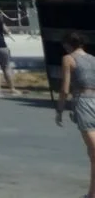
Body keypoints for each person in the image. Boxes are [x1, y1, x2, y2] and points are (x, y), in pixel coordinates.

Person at [54, 31, 95, 198]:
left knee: (93, 151)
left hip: (83, 101)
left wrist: (60, 110)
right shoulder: (93, 59)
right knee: (93, 152)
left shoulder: (68, 59)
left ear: (67, 45)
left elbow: (65, 89)